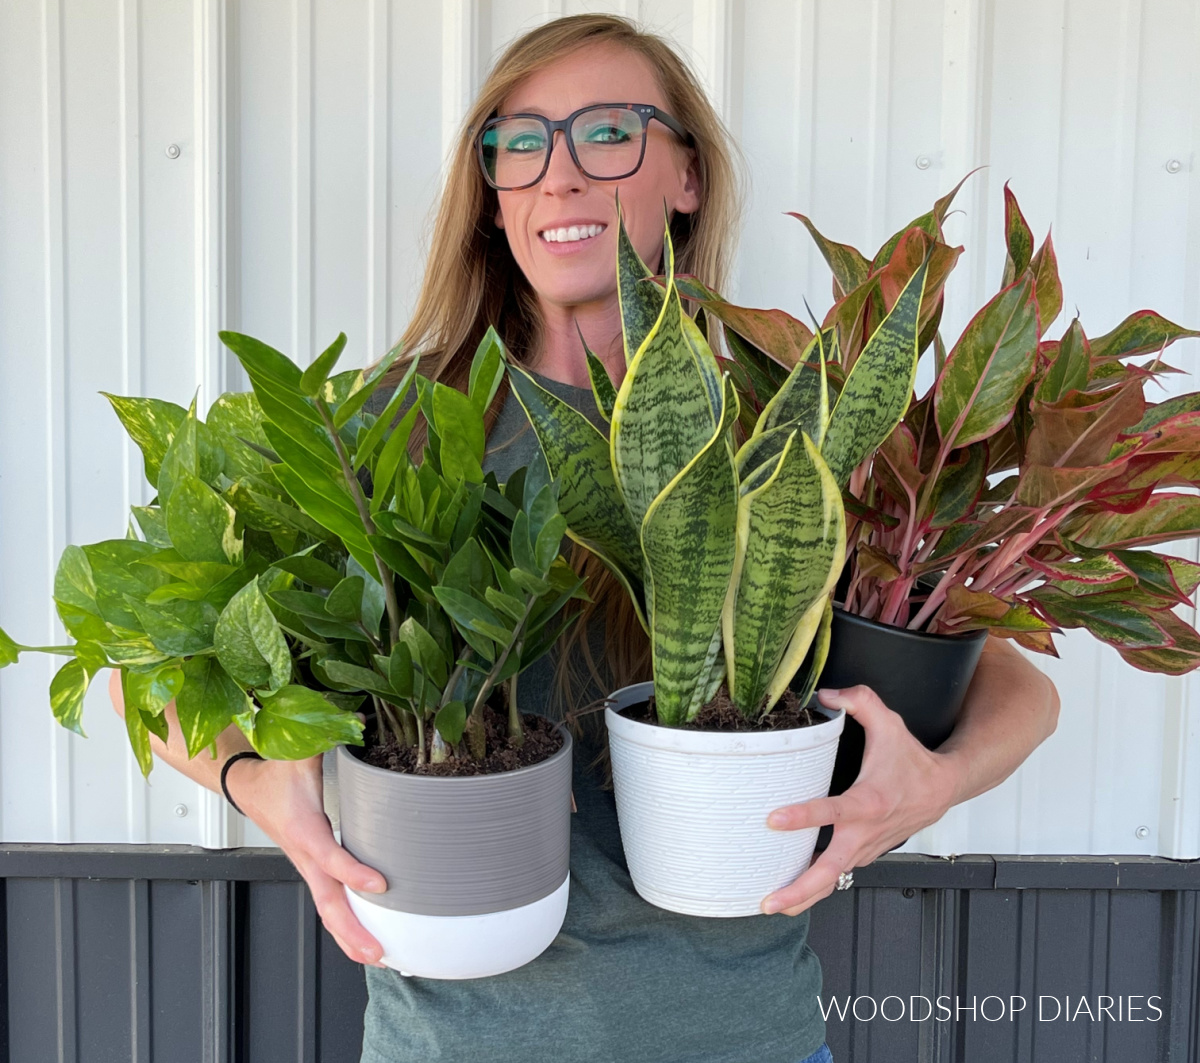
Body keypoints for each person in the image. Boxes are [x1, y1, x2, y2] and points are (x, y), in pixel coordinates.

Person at [111, 14, 1060, 1063]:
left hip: (744, 1033)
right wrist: (258, 779)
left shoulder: (779, 430)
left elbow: (1014, 685)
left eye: (608, 132)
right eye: (520, 142)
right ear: (493, 192)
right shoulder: (383, 430)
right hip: (453, 1038)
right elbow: (140, 665)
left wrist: (934, 781)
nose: (557, 176)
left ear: (687, 174)